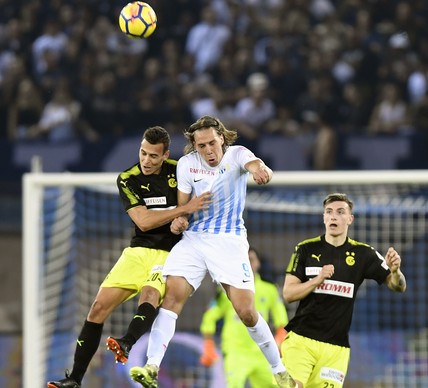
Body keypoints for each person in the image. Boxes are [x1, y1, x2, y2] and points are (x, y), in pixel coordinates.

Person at [129, 115, 296, 388]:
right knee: (171, 298)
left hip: (229, 242)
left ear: (222, 138)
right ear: (194, 147)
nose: (208, 150)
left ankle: (279, 370)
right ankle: (152, 366)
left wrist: (260, 170)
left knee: (246, 312)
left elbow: (255, 164)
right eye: (201, 146)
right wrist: (179, 221)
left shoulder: (237, 154)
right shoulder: (186, 165)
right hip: (194, 240)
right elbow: (183, 209)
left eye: (211, 143)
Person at [47, 126, 212, 388]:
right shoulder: (128, 178)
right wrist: (183, 209)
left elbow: (199, 200)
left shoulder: (179, 170)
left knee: (150, 295)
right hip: (137, 252)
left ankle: (126, 342)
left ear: (165, 155)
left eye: (153, 156)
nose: (146, 161)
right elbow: (143, 221)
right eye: (143, 153)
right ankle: (74, 379)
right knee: (98, 308)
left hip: (170, 253)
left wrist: (185, 217)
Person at [281, 192, 407, 387]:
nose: (334, 216)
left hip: (336, 350)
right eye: (329, 212)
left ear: (350, 219)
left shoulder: (364, 254)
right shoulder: (305, 249)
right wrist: (317, 280)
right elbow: (288, 294)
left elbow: (398, 286)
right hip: (301, 341)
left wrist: (396, 271)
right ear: (324, 217)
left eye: (340, 212)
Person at [199, 246, 289, 388]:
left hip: (262, 352)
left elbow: (280, 317)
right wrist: (208, 345)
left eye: (251, 259)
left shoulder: (269, 289)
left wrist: (281, 335)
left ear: (258, 263)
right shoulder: (227, 290)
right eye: (244, 260)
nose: (248, 263)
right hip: (236, 352)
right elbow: (210, 316)